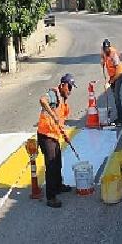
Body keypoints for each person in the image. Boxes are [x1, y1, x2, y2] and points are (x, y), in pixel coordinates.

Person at [37, 73, 76, 208]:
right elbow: (42, 100)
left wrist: (64, 134)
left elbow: (60, 121)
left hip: (53, 135)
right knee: (51, 166)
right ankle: (51, 197)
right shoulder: (54, 94)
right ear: (62, 85)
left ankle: (58, 186)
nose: (70, 91)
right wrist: (52, 114)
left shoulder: (63, 99)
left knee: (58, 161)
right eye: (69, 87)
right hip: (45, 135)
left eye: (71, 88)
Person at [101, 39, 122, 126]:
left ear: (109, 47)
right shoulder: (104, 52)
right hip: (112, 76)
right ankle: (119, 118)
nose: (106, 50)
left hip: (119, 75)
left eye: (107, 48)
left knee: (117, 97)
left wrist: (110, 82)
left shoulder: (113, 54)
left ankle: (121, 119)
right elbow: (103, 56)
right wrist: (102, 61)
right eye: (104, 49)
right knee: (115, 97)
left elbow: (119, 72)